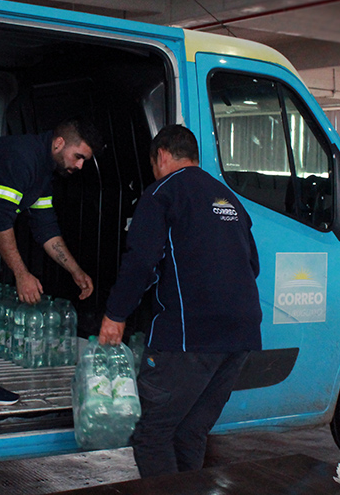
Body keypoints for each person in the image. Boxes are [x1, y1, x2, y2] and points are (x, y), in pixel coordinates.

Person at [98, 124, 262, 477]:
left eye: (154, 163)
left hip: (191, 337)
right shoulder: (228, 198)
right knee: (190, 430)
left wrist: (115, 314)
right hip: (241, 337)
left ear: (162, 156)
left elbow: (141, 260)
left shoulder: (162, 193)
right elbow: (252, 265)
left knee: (152, 434)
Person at [0, 118, 103, 405]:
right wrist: (21, 273)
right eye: (78, 156)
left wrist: (75, 271)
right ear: (59, 143)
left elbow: (45, 227)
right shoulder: (21, 157)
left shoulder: (44, 171)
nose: (80, 165)